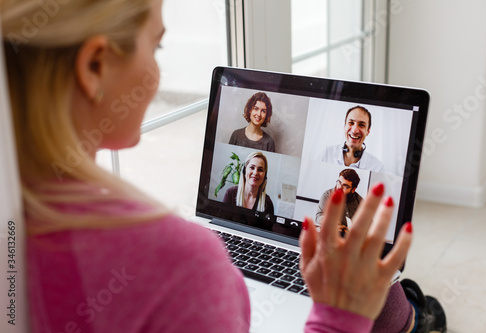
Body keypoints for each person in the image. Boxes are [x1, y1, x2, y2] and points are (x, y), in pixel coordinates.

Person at [0, 0, 446, 332]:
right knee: (381, 291)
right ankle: (407, 314)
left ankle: (404, 306)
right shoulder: (186, 262)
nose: (158, 71)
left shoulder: (15, 222)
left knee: (370, 274)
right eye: (155, 45)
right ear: (94, 65)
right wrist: (338, 318)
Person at [322, 105, 385, 172]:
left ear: (368, 131)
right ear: (344, 126)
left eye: (361, 125)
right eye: (351, 123)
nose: (354, 131)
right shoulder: (326, 153)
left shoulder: (377, 167)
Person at [222, 151, 274, 217]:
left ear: (265, 175)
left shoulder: (267, 203)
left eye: (260, 170)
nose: (255, 173)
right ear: (244, 170)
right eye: (252, 167)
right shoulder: (230, 194)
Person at [315, 168, 363, 234]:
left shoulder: (360, 201)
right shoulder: (327, 195)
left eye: (345, 186)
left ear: (353, 189)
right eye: (339, 182)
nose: (339, 187)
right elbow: (318, 217)